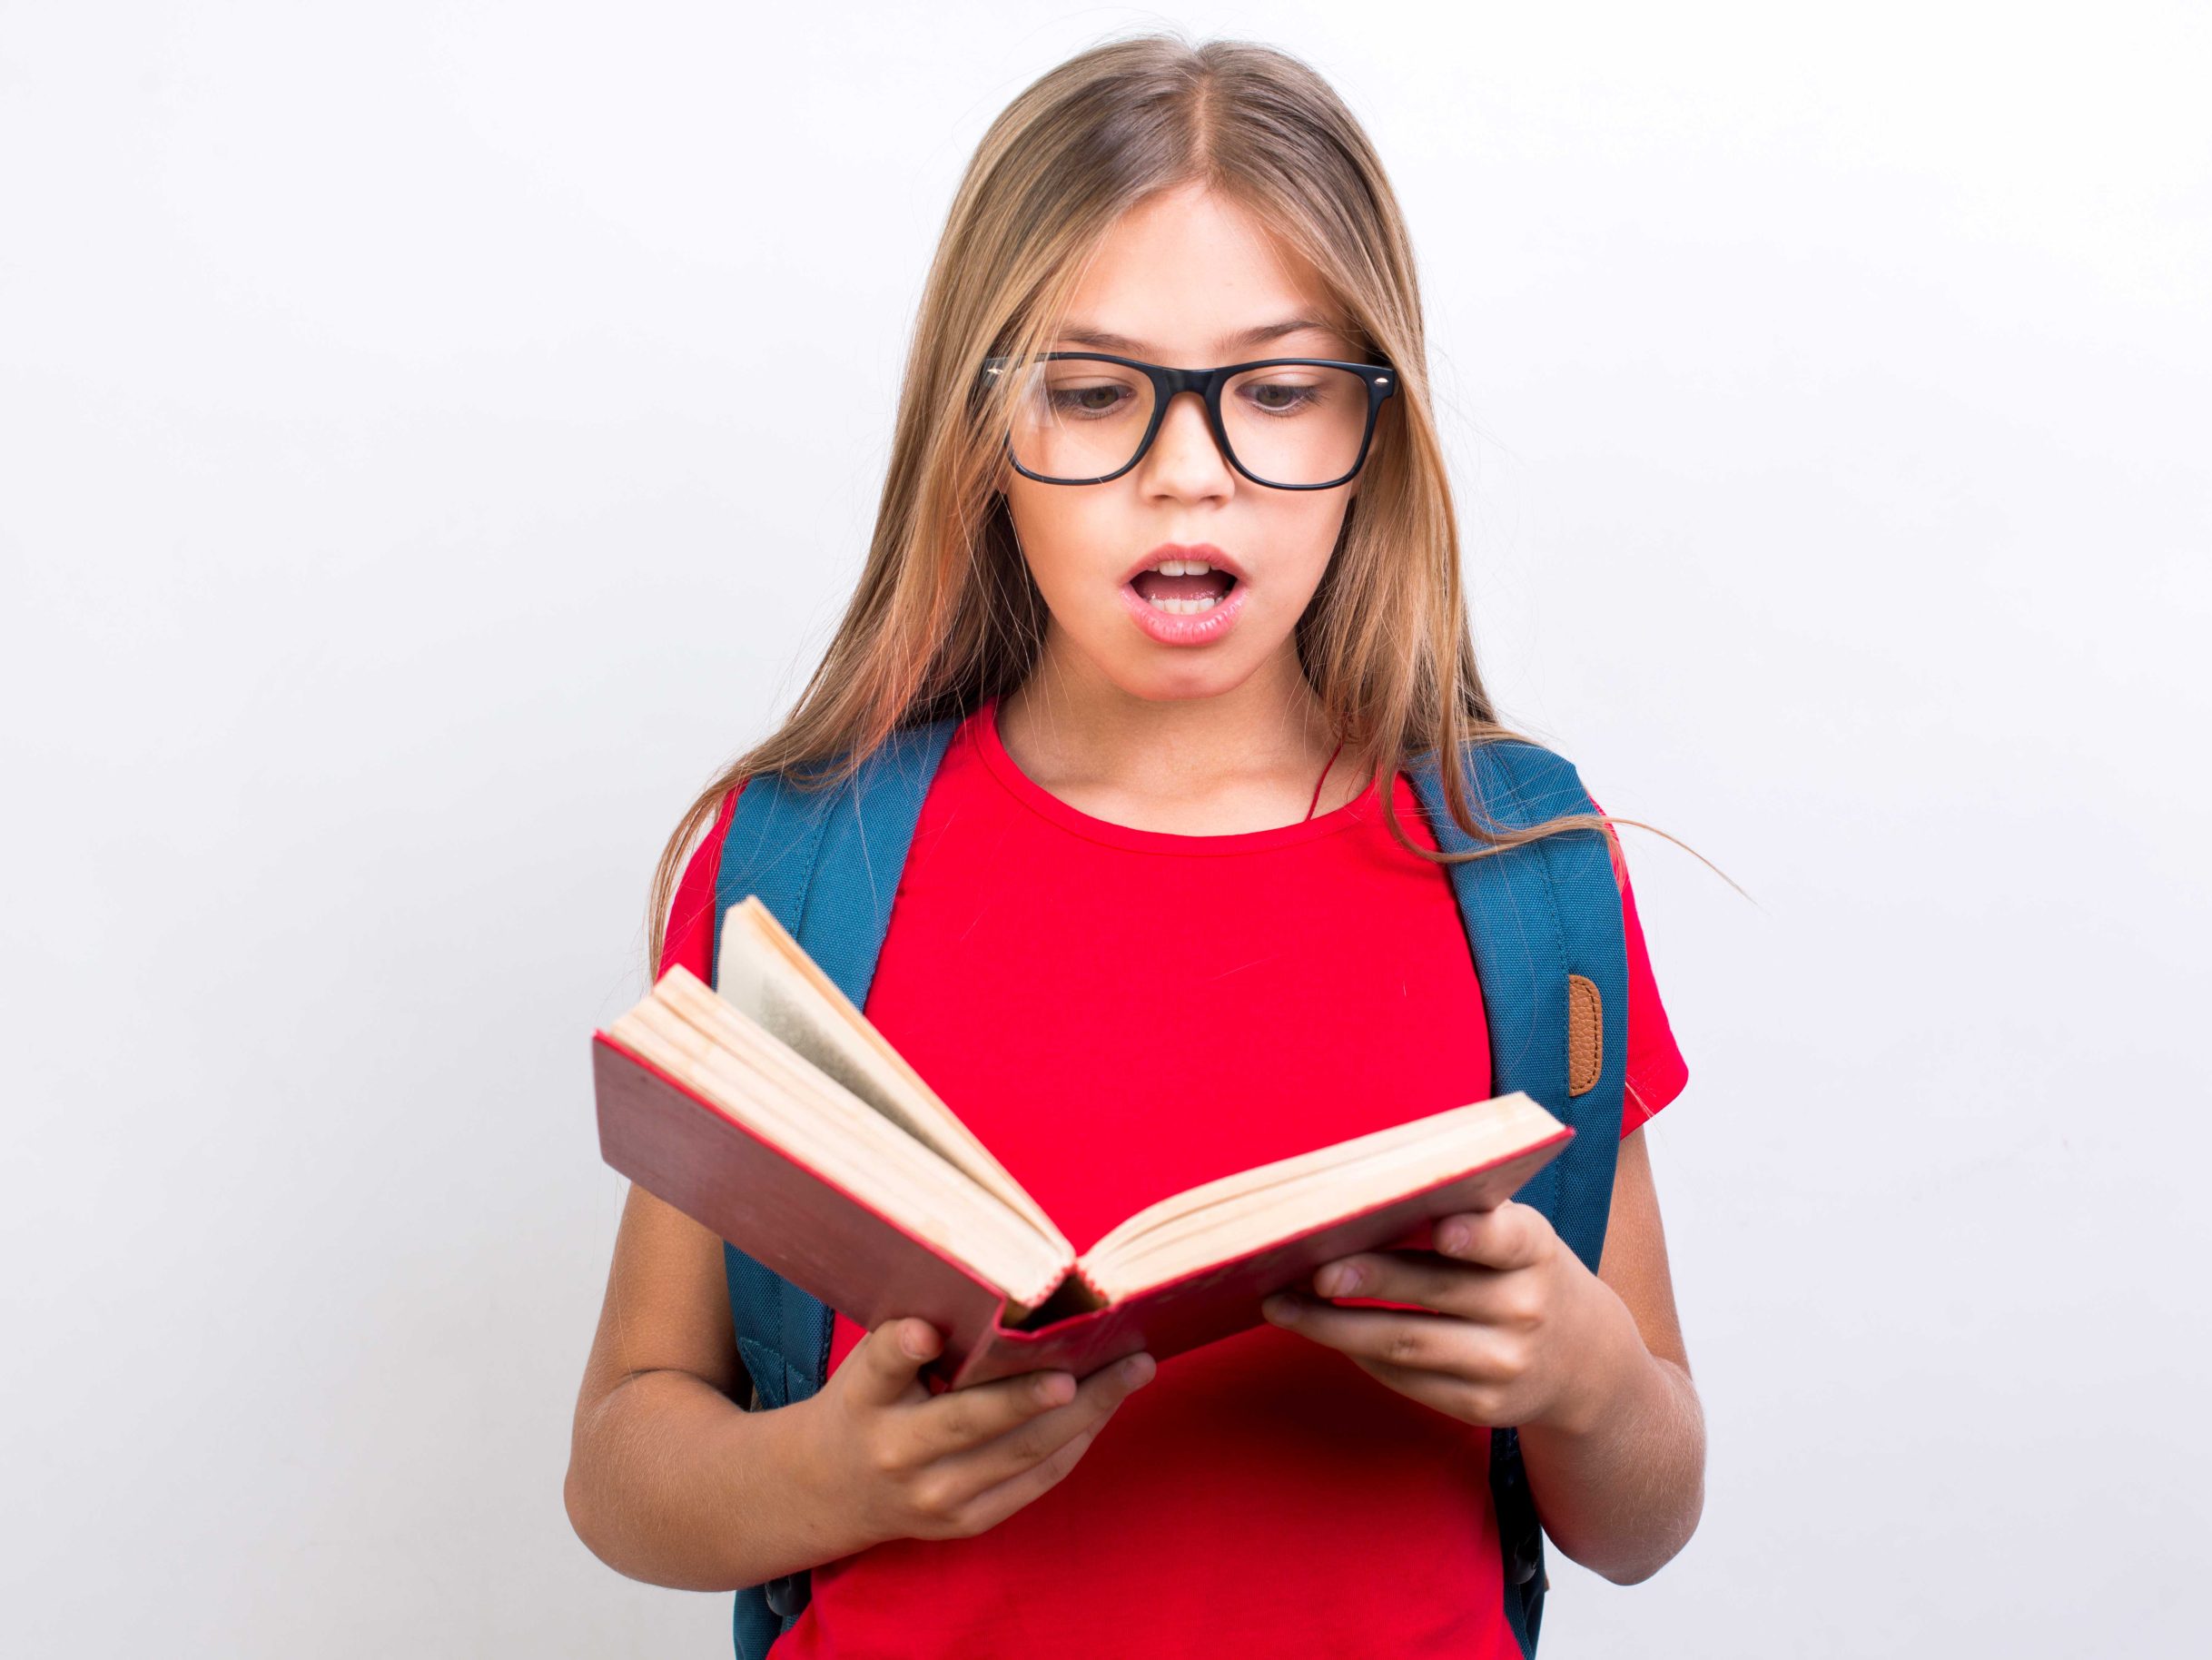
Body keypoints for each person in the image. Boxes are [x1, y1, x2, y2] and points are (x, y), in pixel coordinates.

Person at [565, 31, 1708, 1658]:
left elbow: (1646, 1519)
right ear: (982, 428)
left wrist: (1582, 1374)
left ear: (1373, 431)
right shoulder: (802, 862)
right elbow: (623, 1464)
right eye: (1095, 393)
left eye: (1282, 391)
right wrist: (838, 1470)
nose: (1189, 475)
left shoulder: (1519, 873)